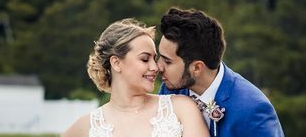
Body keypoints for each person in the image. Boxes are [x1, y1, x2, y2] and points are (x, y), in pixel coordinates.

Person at [62, 18, 208, 137]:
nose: (155, 67)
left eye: (154, 58)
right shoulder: (86, 126)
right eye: (145, 59)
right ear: (116, 63)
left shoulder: (181, 107)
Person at [157, 8, 284, 137]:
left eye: (167, 62)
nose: (158, 66)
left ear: (197, 68)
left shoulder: (253, 109)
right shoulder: (170, 90)